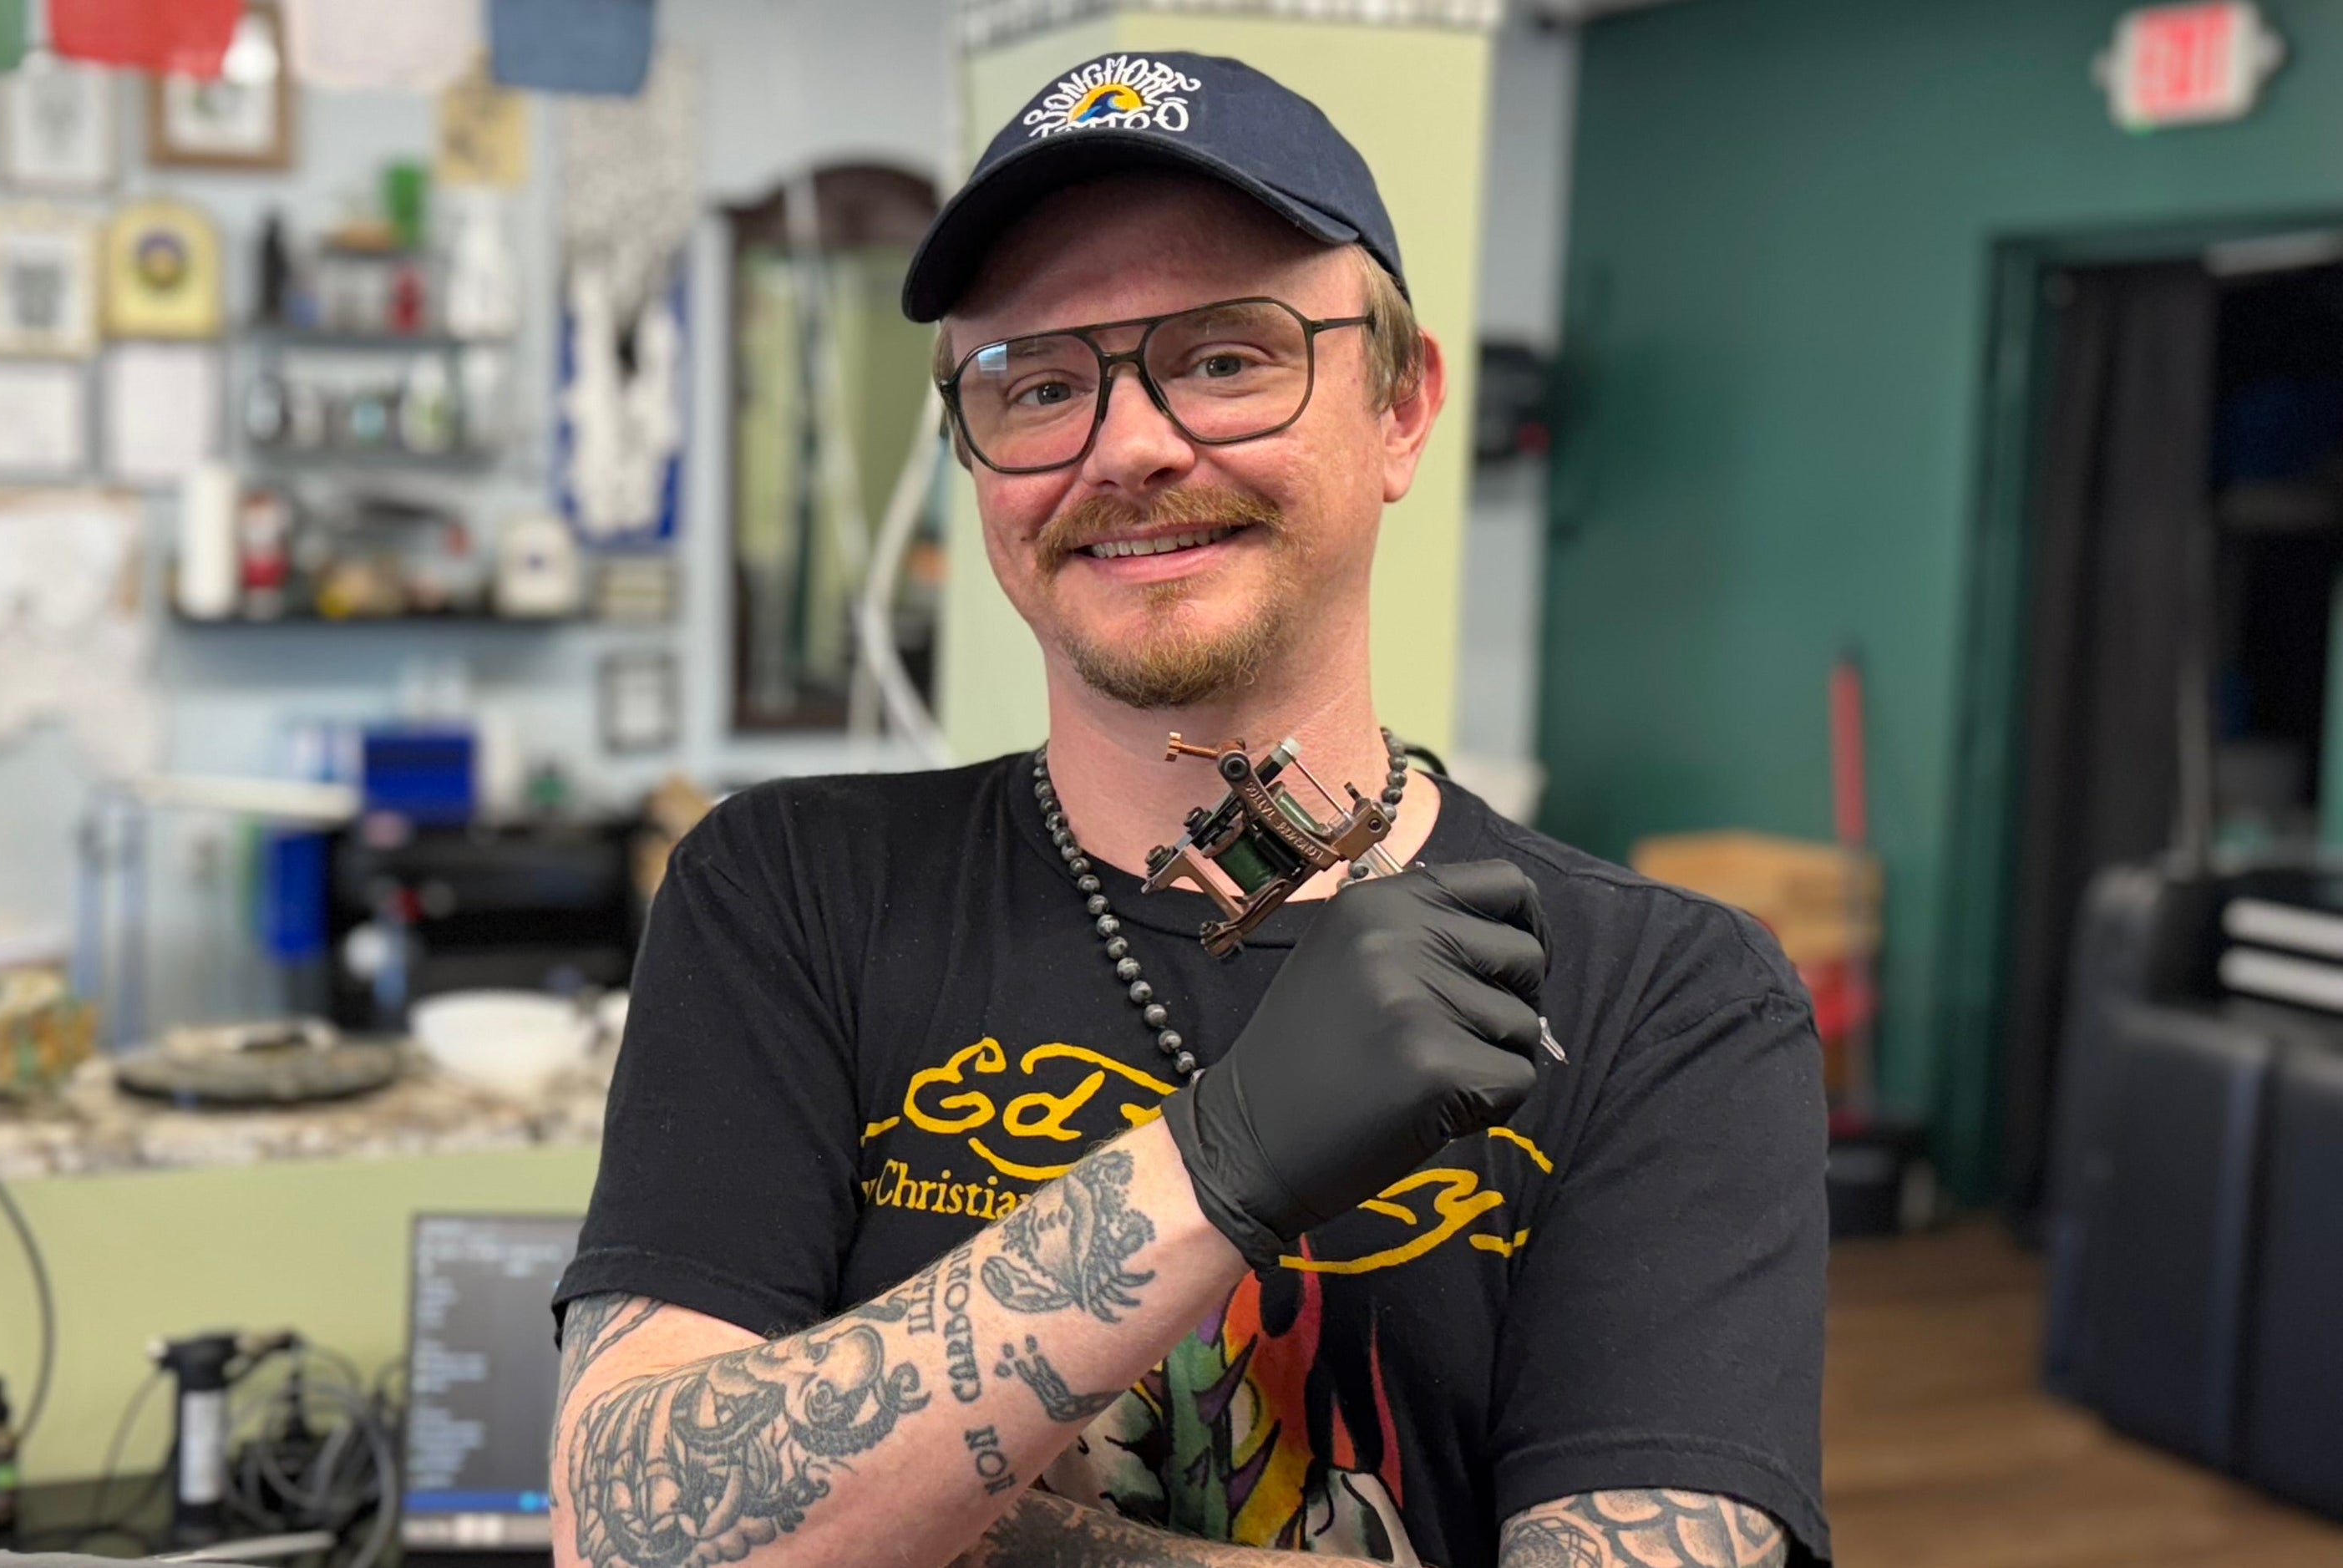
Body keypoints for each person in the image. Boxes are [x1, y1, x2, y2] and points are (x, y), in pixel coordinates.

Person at [548, 50, 1828, 1568]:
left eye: (1226, 357)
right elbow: (629, 1535)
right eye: (1039, 384)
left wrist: (917, 1530)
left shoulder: (1667, 999)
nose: (1133, 445)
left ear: (1403, 406)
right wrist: (1218, 1160)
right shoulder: (790, 891)